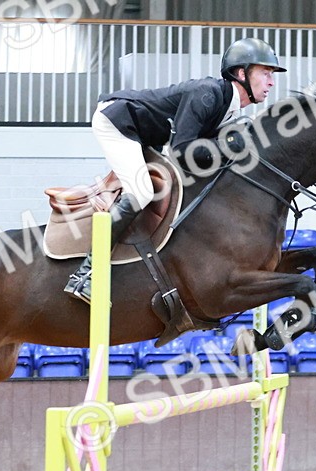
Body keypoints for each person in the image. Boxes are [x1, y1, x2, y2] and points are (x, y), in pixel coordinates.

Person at [64, 37, 286, 304]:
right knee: (142, 190)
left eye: (271, 75)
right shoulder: (208, 94)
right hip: (118, 121)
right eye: (266, 73)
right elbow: (181, 152)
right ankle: (86, 274)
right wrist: (226, 146)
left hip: (146, 135)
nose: (272, 82)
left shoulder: (229, 110)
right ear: (241, 73)